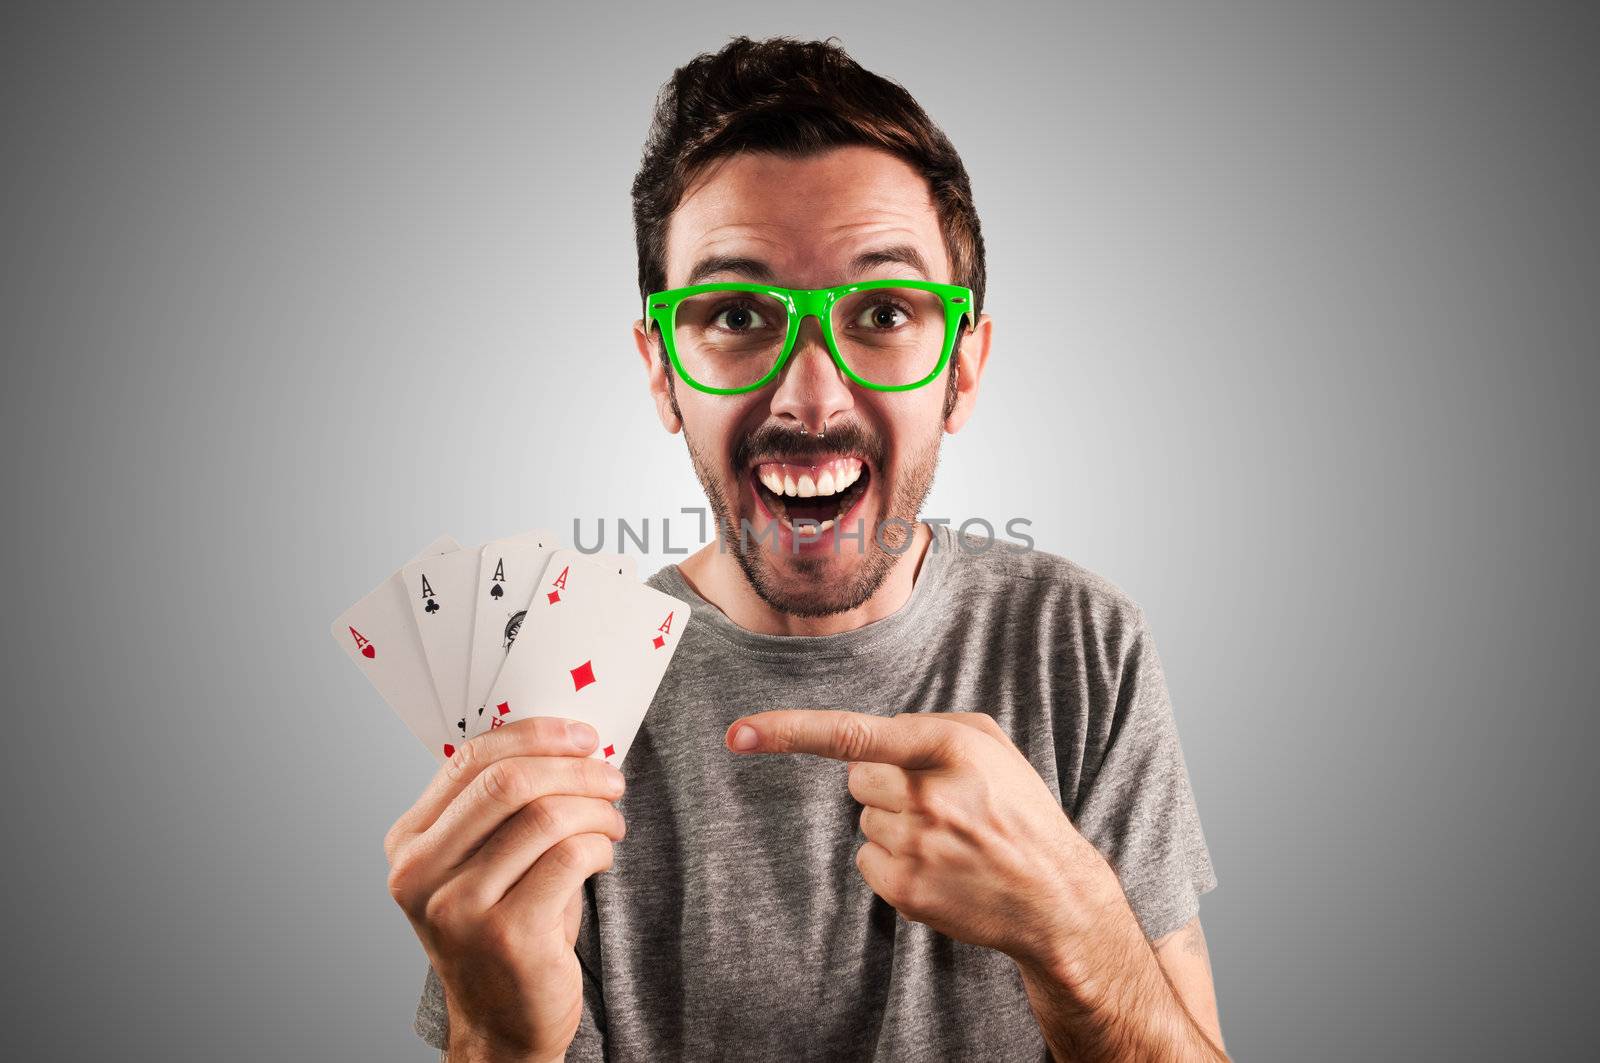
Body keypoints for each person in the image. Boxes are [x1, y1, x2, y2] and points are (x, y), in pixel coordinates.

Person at [385, 35, 1225, 1062]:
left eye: (882, 312)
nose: (809, 396)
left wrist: (1073, 926)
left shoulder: (1080, 647)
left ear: (961, 369)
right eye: (736, 314)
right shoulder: (557, 702)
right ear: (662, 372)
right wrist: (498, 1033)